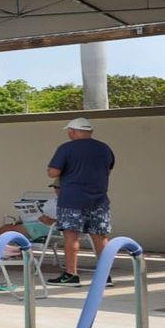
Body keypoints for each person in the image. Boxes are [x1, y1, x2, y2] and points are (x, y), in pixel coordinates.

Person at [46, 117, 116, 285]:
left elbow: (53, 173)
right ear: (90, 131)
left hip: (72, 199)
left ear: (72, 131)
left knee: (71, 236)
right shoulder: (104, 148)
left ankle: (71, 274)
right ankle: (104, 276)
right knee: (100, 237)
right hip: (99, 199)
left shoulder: (66, 148)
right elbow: (109, 169)